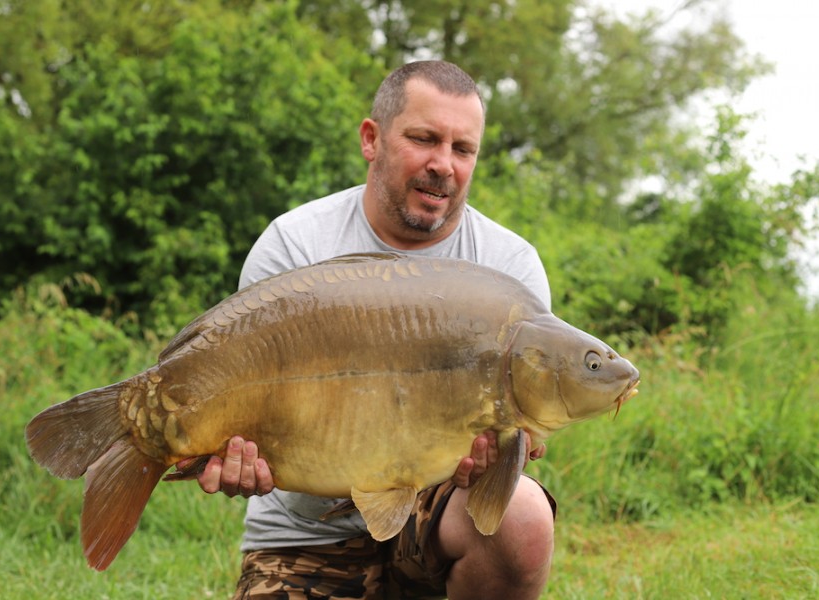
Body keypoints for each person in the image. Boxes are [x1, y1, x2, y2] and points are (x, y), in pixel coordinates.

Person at [189, 60, 556, 599]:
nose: (443, 165)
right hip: (306, 533)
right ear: (371, 139)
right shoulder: (295, 246)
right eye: (424, 139)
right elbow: (241, 401)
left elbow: (517, 439)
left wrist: (503, 454)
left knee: (522, 515)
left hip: (440, 519)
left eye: (462, 149)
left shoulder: (509, 269)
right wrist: (229, 452)